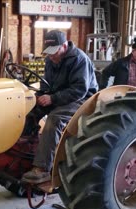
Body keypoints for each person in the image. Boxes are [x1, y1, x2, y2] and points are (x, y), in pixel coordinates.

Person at [22, 30, 99, 184]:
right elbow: (46, 82)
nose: (51, 56)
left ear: (64, 46)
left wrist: (52, 98)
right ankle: (25, 151)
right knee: (29, 112)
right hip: (58, 97)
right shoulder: (51, 60)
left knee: (54, 119)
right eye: (48, 53)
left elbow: (79, 89)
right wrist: (40, 95)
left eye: (54, 52)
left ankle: (43, 168)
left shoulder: (79, 59)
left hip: (81, 99)